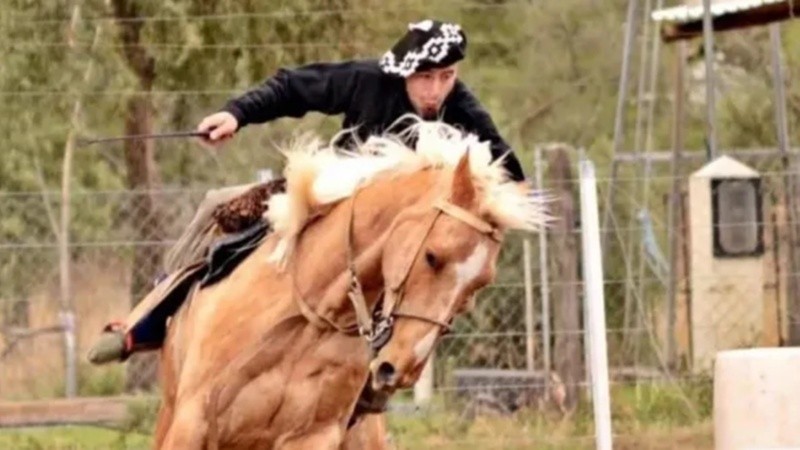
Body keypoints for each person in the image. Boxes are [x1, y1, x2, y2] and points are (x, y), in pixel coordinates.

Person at [87, 18, 526, 365]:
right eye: (425, 77)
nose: (435, 90)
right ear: (405, 71)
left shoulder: (460, 105)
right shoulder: (367, 79)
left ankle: (387, 363)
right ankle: (151, 317)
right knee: (218, 204)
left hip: (394, 237)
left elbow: (505, 163)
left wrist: (508, 201)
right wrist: (236, 114)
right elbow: (293, 87)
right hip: (334, 193)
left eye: (446, 76)